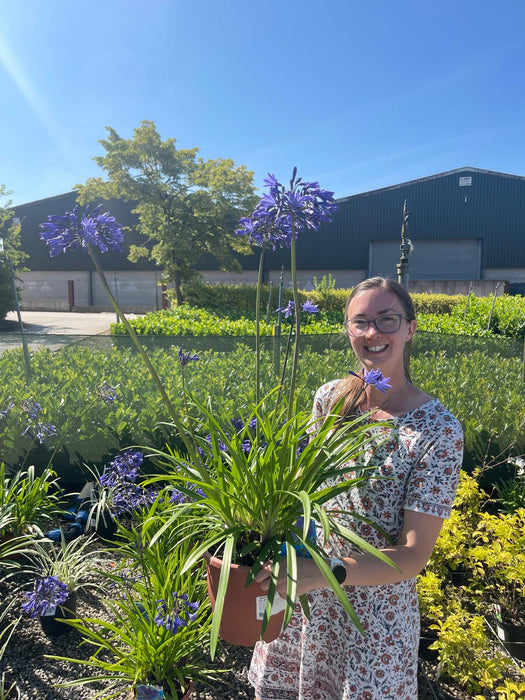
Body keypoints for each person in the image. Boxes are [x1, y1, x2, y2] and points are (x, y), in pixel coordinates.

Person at [249, 276, 464, 700]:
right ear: (347, 330)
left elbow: (412, 556)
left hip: (371, 617)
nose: (373, 333)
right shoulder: (330, 398)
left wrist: (321, 574)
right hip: (304, 594)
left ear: (410, 328)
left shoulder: (438, 430)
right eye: (360, 322)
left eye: (387, 320)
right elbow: (299, 489)